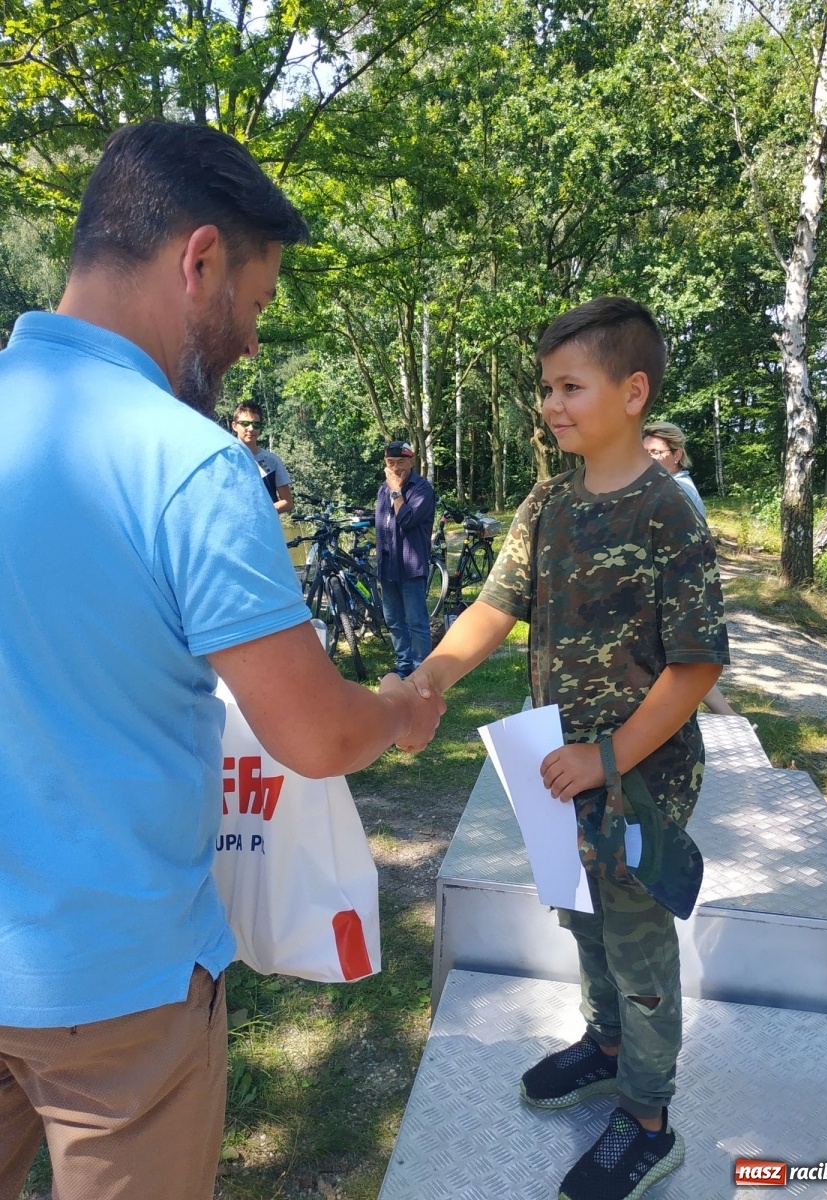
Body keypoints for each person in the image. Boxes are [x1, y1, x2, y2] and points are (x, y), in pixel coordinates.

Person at [0, 120, 444, 1200]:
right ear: (198, 259)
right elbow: (312, 732)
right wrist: (395, 707)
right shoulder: (193, 464)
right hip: (120, 987)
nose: (250, 340)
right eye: (252, 303)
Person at [402, 297, 729, 1200]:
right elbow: (494, 609)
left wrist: (608, 758)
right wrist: (428, 677)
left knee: (638, 942)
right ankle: (606, 1041)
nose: (550, 403)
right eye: (545, 387)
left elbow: (696, 668)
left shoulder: (668, 514)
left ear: (633, 392)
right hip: (554, 767)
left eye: (570, 386)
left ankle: (650, 1119)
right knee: (582, 917)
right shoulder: (546, 501)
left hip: (638, 783)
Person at [642, 420, 737, 717]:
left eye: (656, 452)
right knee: (682, 661)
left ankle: (672, 724)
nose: (649, 458)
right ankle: (731, 718)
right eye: (645, 451)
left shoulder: (677, 490)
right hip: (674, 585)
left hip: (679, 587)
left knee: (682, 661)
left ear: (677, 454)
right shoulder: (667, 485)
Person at [375, 440, 436, 678]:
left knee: (416, 621)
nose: (396, 467)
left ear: (412, 461)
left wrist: (396, 492)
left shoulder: (421, 489)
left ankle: (421, 668)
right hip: (387, 565)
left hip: (411, 564)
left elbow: (407, 519)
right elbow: (382, 523)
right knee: (393, 620)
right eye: (391, 463)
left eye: (401, 462)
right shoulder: (383, 489)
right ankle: (404, 665)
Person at [232, 400, 294, 514]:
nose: (251, 429)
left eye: (256, 424)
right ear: (234, 426)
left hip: (265, 529)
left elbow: (287, 502)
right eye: (245, 423)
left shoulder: (272, 461)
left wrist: (260, 513)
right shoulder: (226, 459)